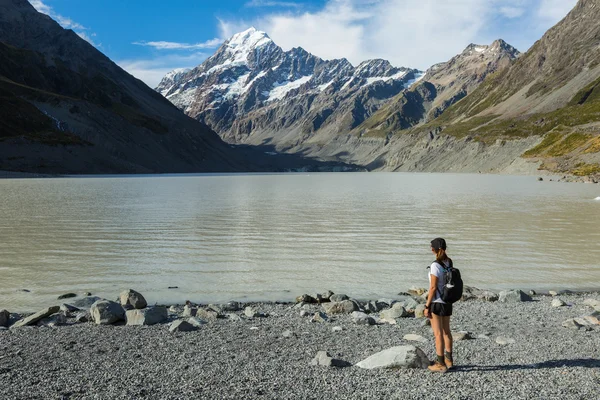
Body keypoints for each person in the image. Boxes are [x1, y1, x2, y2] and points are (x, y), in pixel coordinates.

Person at [423, 237, 453, 372]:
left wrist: (426, 305)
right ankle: (449, 360)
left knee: (438, 334)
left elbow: (433, 287)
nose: (430, 248)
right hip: (447, 302)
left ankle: (440, 364)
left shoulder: (435, 265)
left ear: (434, 249)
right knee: (447, 332)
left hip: (437, 302)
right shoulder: (449, 262)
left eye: (431, 246)